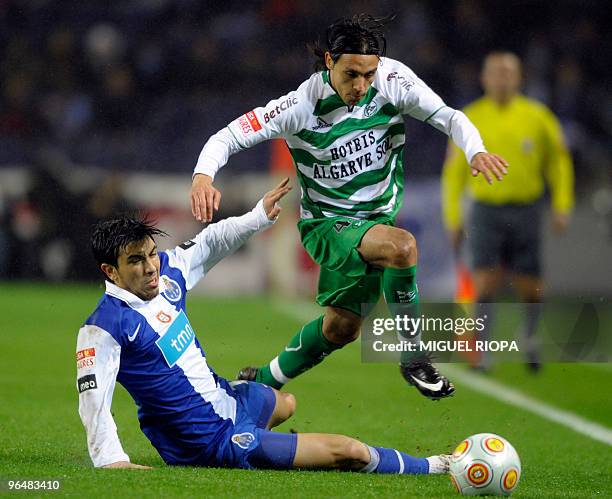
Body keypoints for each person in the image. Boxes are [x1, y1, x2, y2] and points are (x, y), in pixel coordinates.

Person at [190, 15, 509, 399]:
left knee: (341, 328)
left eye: (368, 75)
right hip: (328, 224)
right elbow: (227, 137)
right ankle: (415, 357)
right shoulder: (299, 106)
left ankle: (262, 381)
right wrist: (203, 176)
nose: (360, 85)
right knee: (402, 247)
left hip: (377, 217)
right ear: (329, 62)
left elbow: (450, 117)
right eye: (351, 74)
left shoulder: (393, 81)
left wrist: (475, 150)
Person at [76, 180, 451, 474]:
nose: (150, 267)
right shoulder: (105, 327)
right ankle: (439, 465)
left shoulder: (166, 277)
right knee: (348, 451)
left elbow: (209, 242)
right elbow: (94, 400)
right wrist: (111, 458)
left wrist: (258, 216)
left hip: (225, 398)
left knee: (286, 403)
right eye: (136, 261)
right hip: (210, 441)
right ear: (111, 271)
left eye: (151, 254)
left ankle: (264, 438)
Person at [441, 52, 574, 370]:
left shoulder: (538, 117)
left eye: (508, 72)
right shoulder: (469, 118)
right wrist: (453, 218)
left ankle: (529, 336)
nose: (502, 78)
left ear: (519, 78)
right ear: (484, 79)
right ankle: (483, 350)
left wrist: (562, 204)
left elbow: (558, 161)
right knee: (485, 281)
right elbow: (453, 172)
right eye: (495, 73)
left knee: (531, 285)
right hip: (486, 210)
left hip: (526, 208)